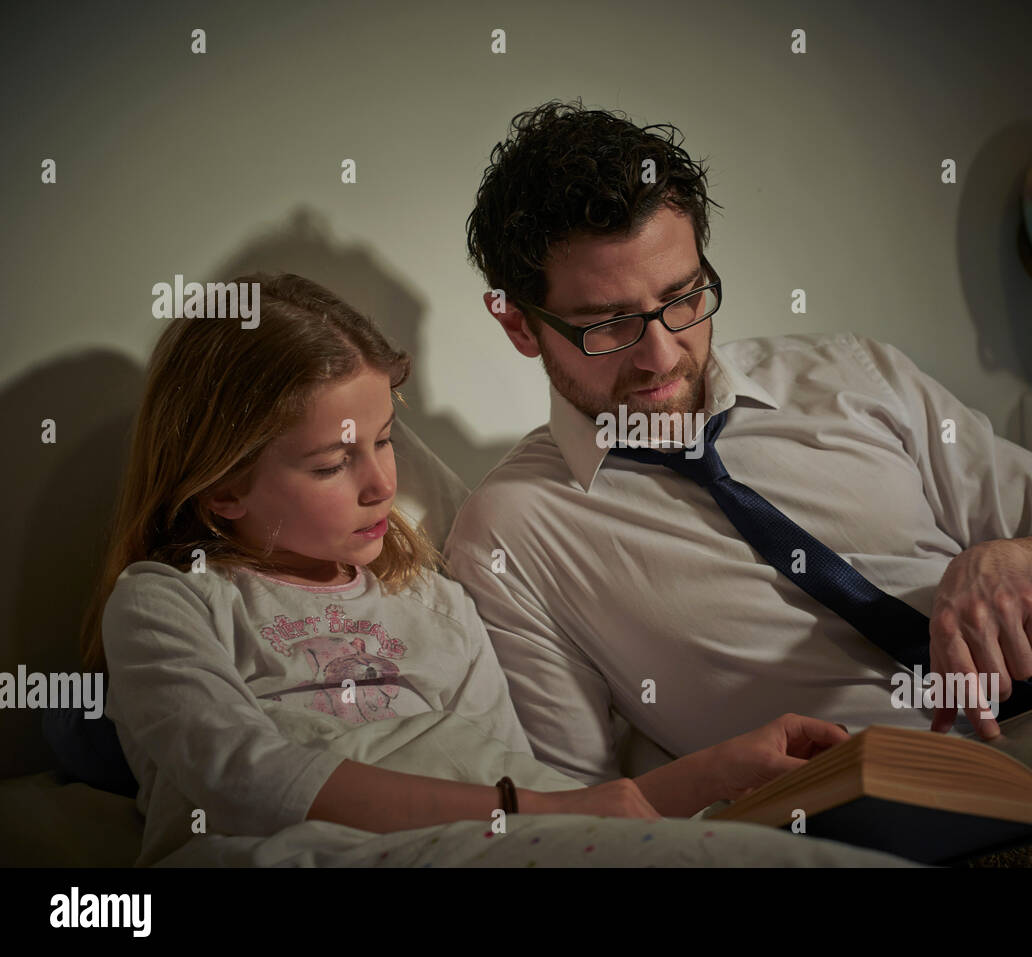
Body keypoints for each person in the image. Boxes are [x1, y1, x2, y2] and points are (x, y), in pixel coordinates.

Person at [446, 99, 1032, 867]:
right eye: (609, 325)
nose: (663, 353)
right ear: (522, 324)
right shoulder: (511, 533)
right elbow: (576, 811)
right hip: (965, 792)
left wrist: (1015, 564)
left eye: (684, 297)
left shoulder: (849, 373)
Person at [78, 272, 914, 868]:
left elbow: (521, 774)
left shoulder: (429, 595)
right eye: (332, 466)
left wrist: (720, 769)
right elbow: (244, 782)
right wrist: (536, 814)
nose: (381, 483)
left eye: (383, 442)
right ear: (223, 487)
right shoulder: (166, 602)